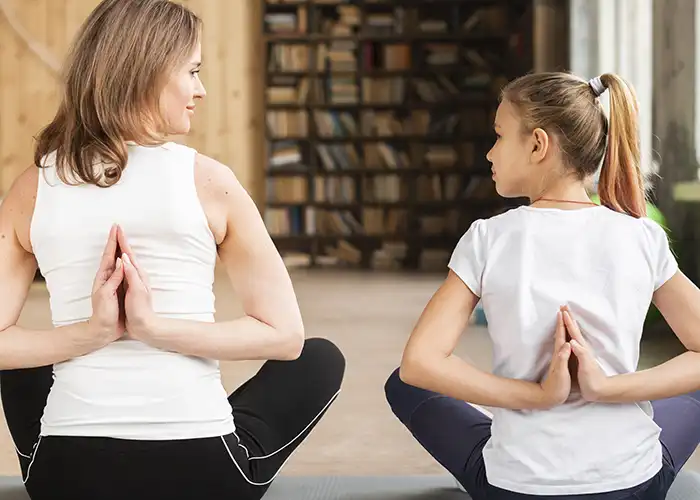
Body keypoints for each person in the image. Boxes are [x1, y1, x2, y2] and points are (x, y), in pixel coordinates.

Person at [0, 1, 344, 499]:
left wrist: (89, 334)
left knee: (22, 356)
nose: (201, 89)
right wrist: (152, 329)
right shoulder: (210, 181)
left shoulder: (32, 187)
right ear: (147, 73)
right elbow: (285, 337)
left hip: (68, 478)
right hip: (205, 473)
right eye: (193, 72)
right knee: (319, 358)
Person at [385, 71, 700, 499]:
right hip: (631, 485)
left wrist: (536, 397)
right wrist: (606, 389)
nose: (489, 152)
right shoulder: (642, 236)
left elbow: (419, 365)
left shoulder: (487, 238)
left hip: (514, 488)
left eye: (498, 136)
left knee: (402, 384)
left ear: (537, 144)